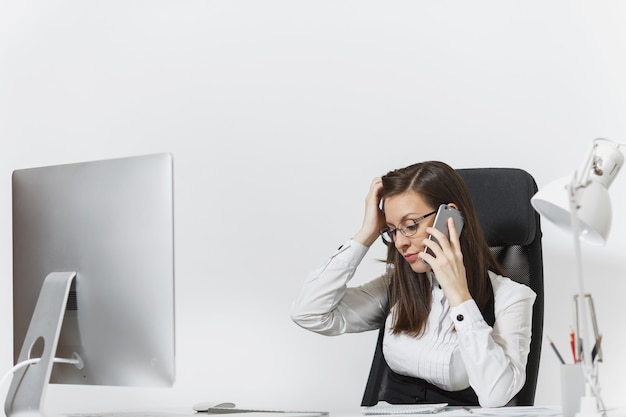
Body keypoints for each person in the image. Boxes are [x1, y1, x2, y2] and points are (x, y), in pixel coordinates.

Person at [291, 161, 536, 408]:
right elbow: (308, 313)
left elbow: (495, 396)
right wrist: (366, 232)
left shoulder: (511, 297)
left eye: (410, 226)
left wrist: (459, 296)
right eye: (392, 230)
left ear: (450, 217)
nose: (399, 243)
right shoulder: (397, 287)